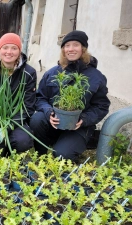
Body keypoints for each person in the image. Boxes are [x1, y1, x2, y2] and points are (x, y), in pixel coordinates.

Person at [30, 30, 110, 163]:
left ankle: (65, 147)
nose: (71, 49)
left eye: (75, 45)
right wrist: (49, 112)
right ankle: (41, 155)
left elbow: (101, 106)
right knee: (37, 119)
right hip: (54, 124)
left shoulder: (96, 77)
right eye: (67, 46)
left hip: (79, 128)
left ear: (83, 49)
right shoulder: (52, 73)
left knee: (62, 155)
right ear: (63, 50)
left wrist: (83, 119)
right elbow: (40, 98)